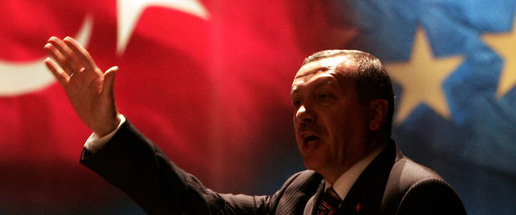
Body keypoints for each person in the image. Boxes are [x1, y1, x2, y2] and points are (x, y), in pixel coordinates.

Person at [44, 36, 466, 214]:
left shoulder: (416, 196)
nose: (303, 114)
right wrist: (110, 129)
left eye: (323, 96)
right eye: (297, 102)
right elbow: (196, 208)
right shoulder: (300, 193)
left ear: (375, 114)